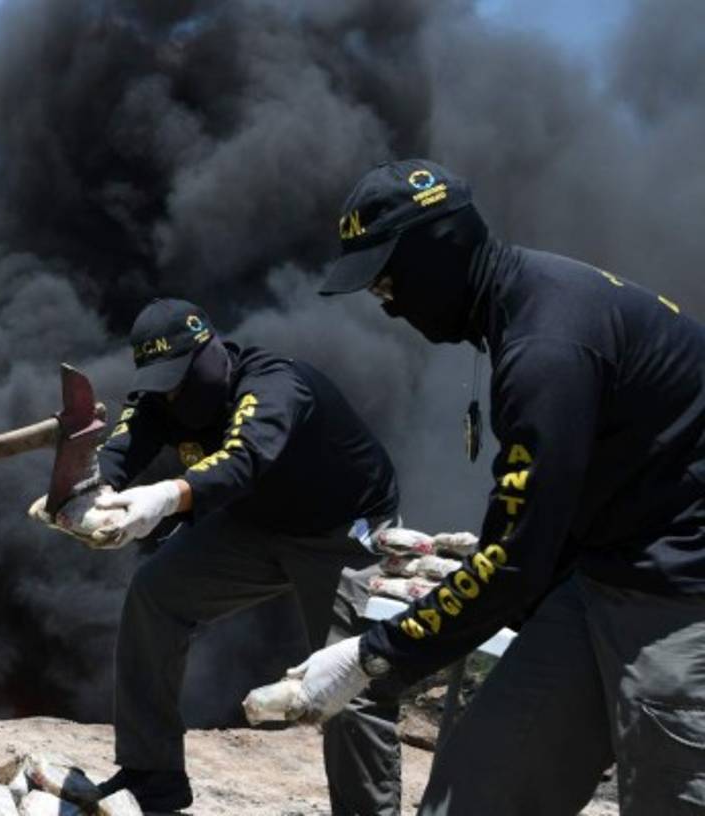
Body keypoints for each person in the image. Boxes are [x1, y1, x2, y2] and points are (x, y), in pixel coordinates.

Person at [271, 158, 705, 815]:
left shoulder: (547, 345)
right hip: (600, 577)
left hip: (683, 597)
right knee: (476, 791)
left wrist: (373, 655)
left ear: (438, 253)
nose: (387, 305)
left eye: (387, 281)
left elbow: (516, 558)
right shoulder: (522, 314)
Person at [89, 297, 405, 814]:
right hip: (254, 523)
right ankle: (152, 776)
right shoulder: (161, 397)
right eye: (160, 381)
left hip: (343, 533)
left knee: (352, 679)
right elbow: (122, 446)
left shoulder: (274, 384)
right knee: (156, 594)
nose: (171, 393)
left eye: (180, 377)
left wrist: (165, 496)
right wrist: (90, 492)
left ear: (209, 352)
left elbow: (244, 460)